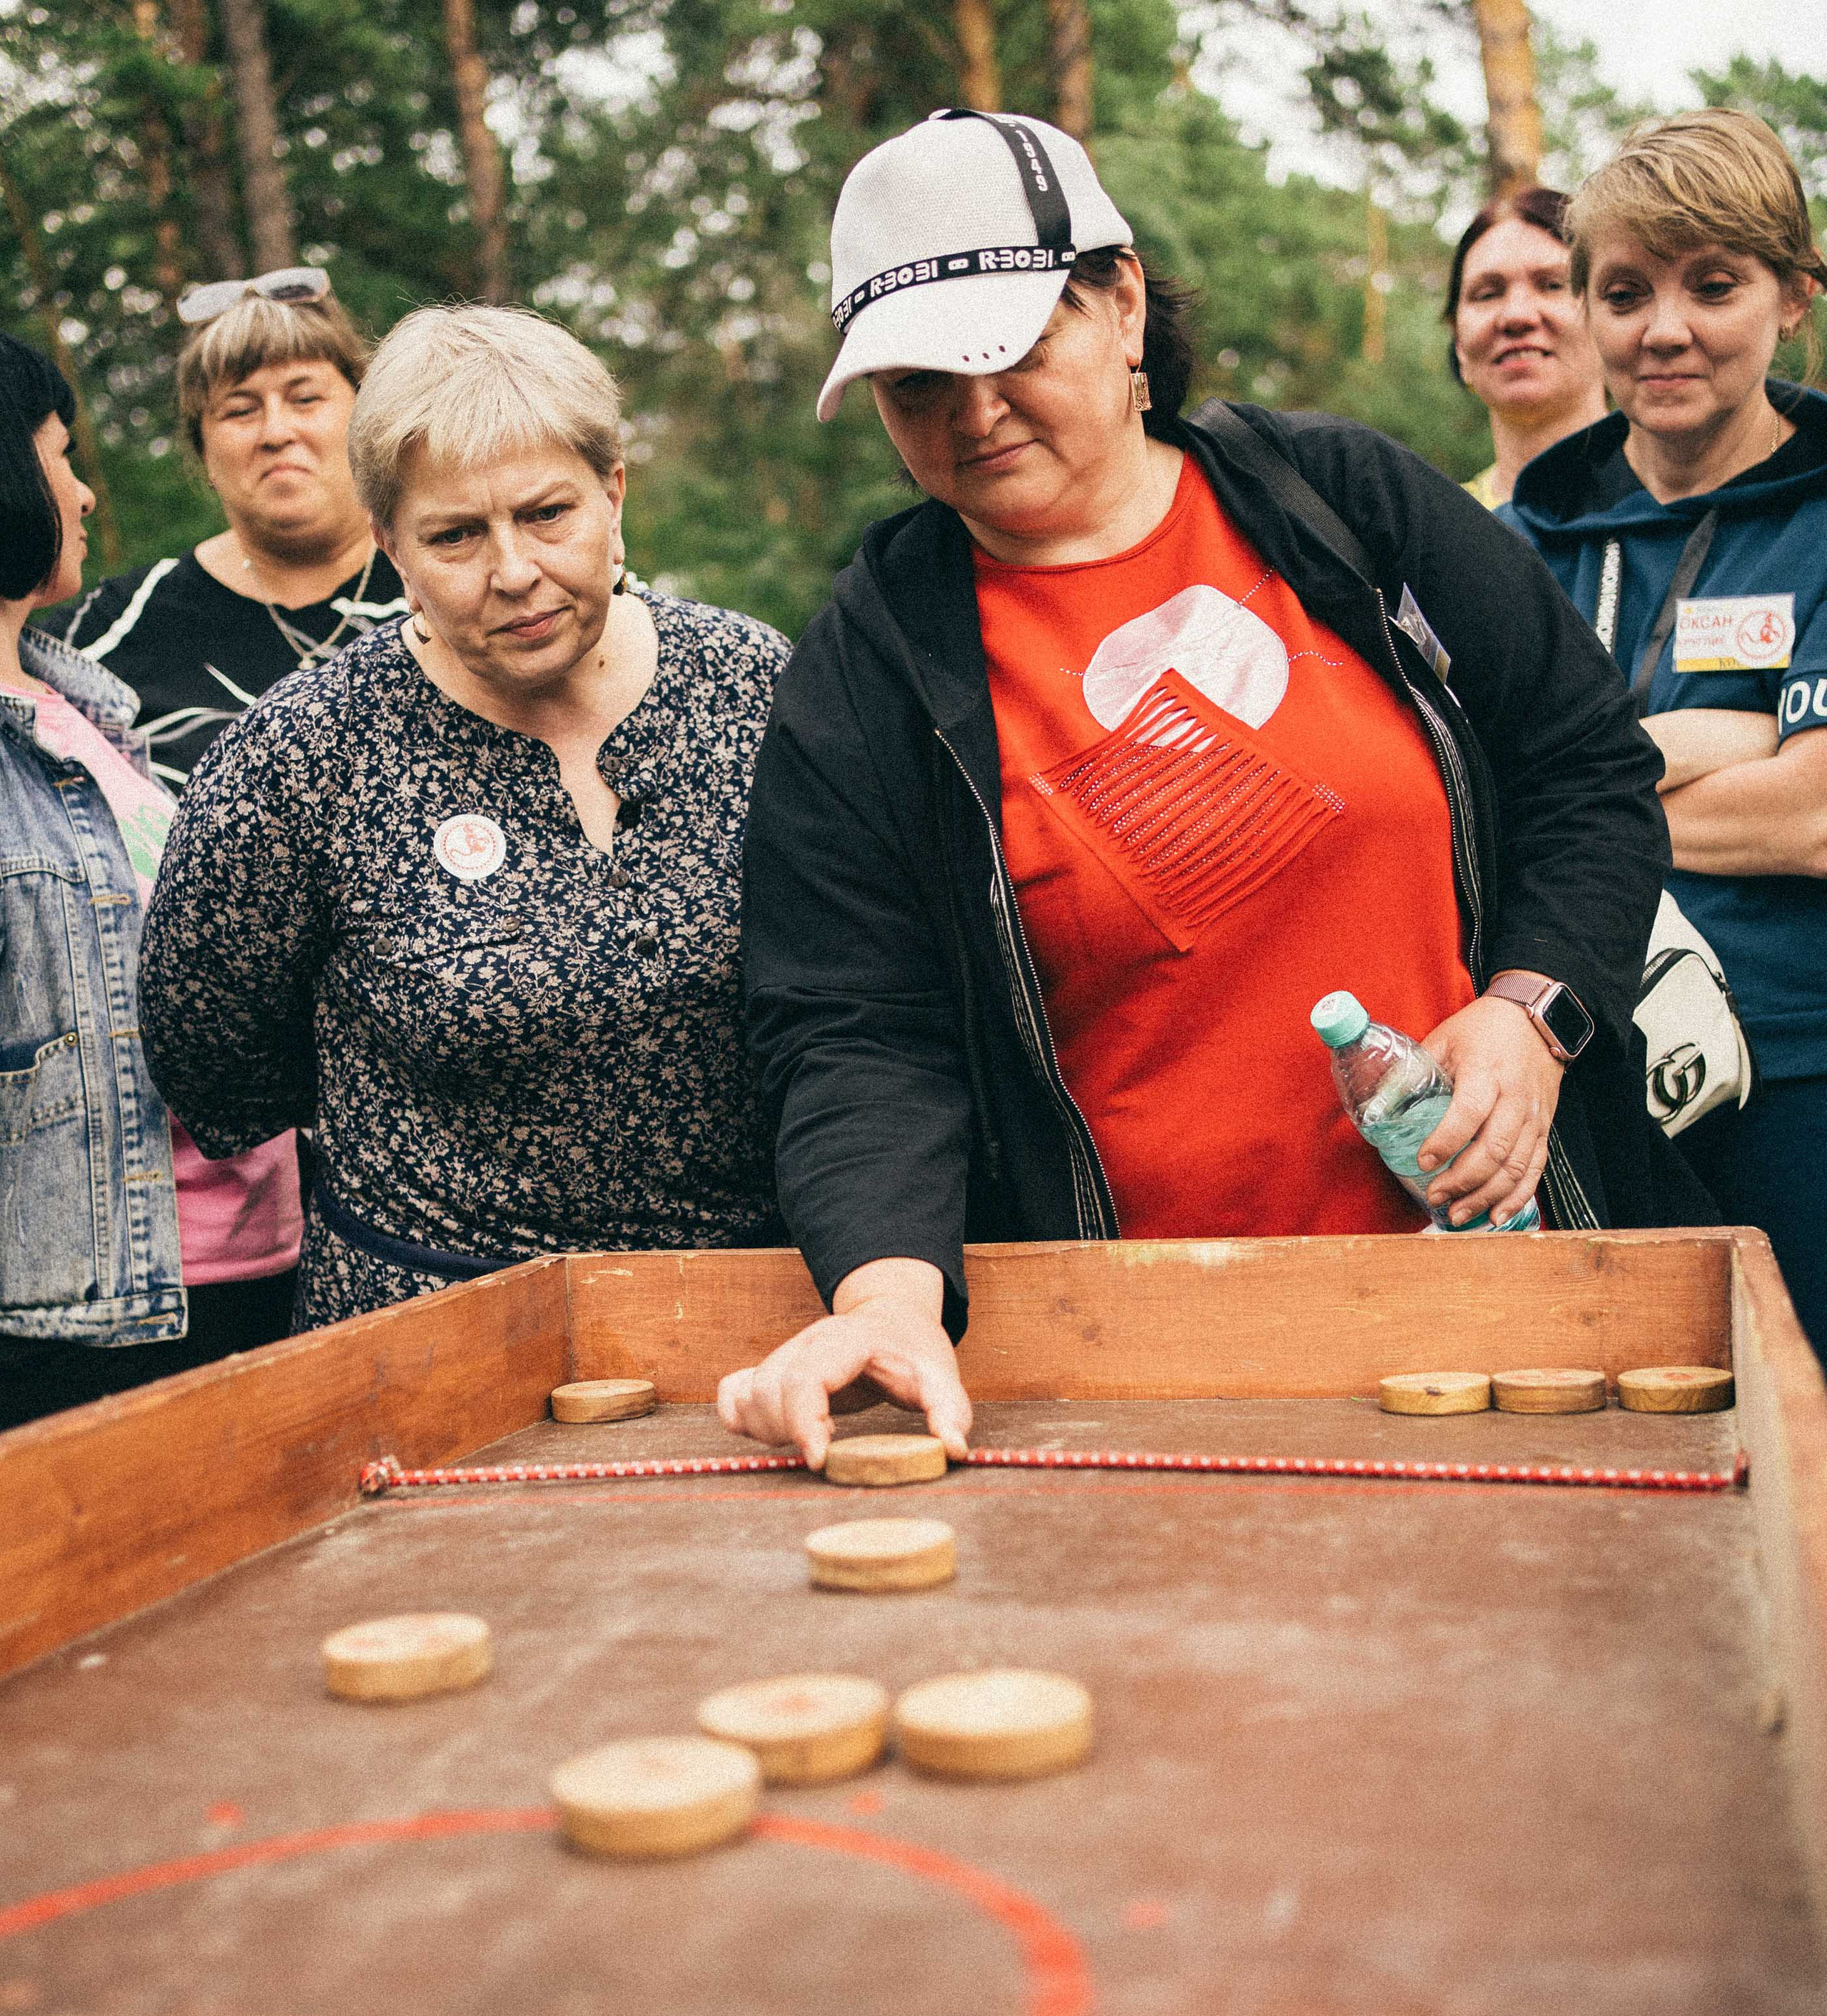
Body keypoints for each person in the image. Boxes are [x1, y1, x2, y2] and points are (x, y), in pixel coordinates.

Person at [717, 108, 1695, 1464]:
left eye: (1008, 351)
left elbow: (1588, 770)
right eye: (917, 384)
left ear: (1120, 304)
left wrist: (1532, 1016)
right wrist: (889, 1293)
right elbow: (850, 1023)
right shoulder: (873, 653)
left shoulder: (1339, 498)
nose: (974, 411)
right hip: (1142, 1357)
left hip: (1504, 1286)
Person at [138, 305, 788, 1328]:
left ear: (614, 493)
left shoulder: (754, 686)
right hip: (433, 1331)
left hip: (759, 1315)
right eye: (455, 535)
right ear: (391, 542)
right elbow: (216, 1064)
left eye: (547, 514)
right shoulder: (301, 758)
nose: (513, 571)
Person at [1502, 109, 1827, 1357]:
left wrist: (1573, 800)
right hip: (1579, 1077)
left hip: (1796, 1073)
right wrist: (1731, 739)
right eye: (1627, 291)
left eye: (1716, 285)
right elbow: (1473, 798)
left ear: (1793, 296)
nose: (1666, 329)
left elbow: (1809, 820)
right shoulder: (1522, 545)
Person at [0, 334, 300, 1428]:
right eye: (57, 456)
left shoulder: (88, 710)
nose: (82, 491)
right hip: (81, 1325)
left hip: (239, 1278)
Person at [41, 270, 408, 783]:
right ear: (204, 452)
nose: (276, 432)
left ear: (366, 421)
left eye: (305, 399)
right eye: (240, 411)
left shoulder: (450, 589)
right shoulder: (107, 634)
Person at [1444, 186, 1607, 508]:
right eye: (1488, 294)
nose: (1517, 316)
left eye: (1552, 285)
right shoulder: (1434, 532)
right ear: (1460, 346)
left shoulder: (1683, 505)